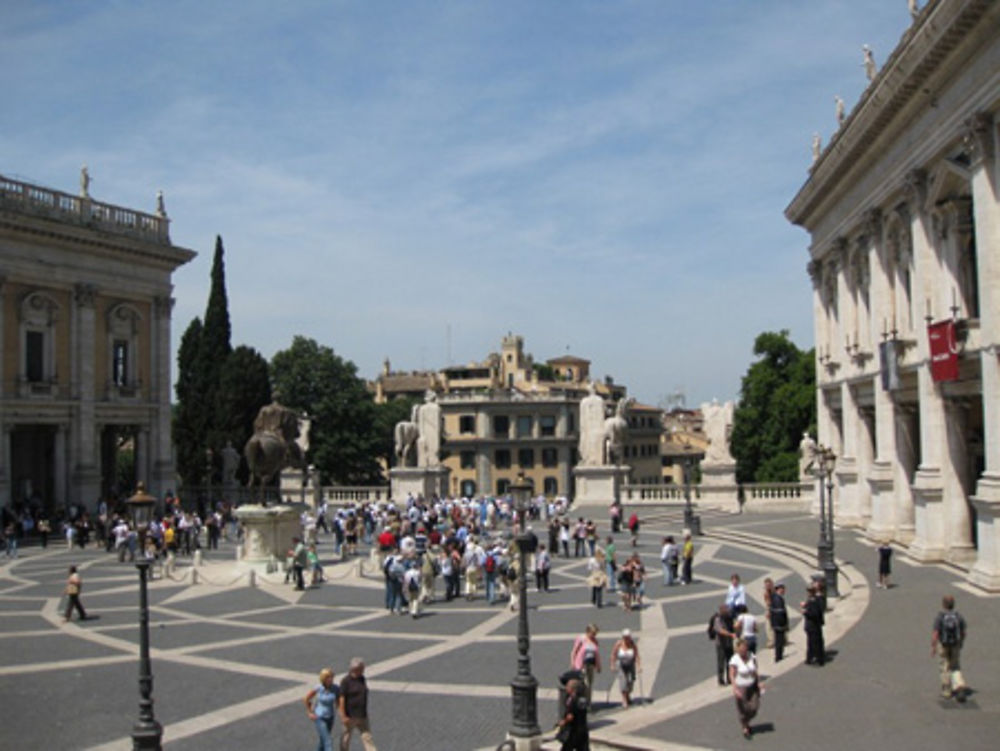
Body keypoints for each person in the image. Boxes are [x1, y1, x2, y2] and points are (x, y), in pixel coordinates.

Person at [931, 594, 968, 700]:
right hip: (955, 644)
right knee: (955, 665)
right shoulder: (958, 616)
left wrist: (933, 646)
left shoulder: (940, 617)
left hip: (943, 644)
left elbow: (935, 633)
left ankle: (947, 691)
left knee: (944, 667)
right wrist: (961, 642)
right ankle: (959, 684)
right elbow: (964, 631)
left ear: (943, 604)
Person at [338, 657, 377, 751]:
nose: (364, 669)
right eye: (362, 668)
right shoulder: (345, 681)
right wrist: (343, 716)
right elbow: (342, 699)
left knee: (367, 737)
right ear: (355, 669)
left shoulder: (362, 678)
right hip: (350, 716)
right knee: (345, 738)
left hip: (362, 715)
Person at [729, 638, 764, 739]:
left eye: (745, 648)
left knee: (754, 707)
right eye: (741, 649)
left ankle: (746, 722)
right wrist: (735, 688)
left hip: (752, 686)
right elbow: (731, 674)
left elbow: (755, 670)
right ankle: (745, 727)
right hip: (741, 687)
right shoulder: (735, 659)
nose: (743, 650)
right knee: (743, 709)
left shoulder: (752, 656)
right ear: (738, 649)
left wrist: (759, 682)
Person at [304, 668, 339, 751]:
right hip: (319, 717)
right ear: (324, 678)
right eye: (329, 677)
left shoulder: (335, 688)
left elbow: (339, 702)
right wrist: (310, 712)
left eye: (332, 677)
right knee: (328, 741)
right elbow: (306, 699)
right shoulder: (318, 688)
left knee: (323, 741)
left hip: (330, 717)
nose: (331, 679)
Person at [570, 624, 601, 704]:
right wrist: (573, 662)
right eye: (593, 633)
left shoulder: (595, 641)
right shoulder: (581, 639)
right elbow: (574, 651)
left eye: (595, 634)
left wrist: (598, 665)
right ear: (588, 632)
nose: (594, 635)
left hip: (591, 664)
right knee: (584, 683)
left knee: (590, 683)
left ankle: (588, 701)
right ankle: (582, 700)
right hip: (581, 664)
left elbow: (596, 654)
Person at [556, 678, 590, 751]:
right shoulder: (581, 699)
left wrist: (563, 722)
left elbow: (570, 716)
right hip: (582, 730)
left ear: (573, 689)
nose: (566, 688)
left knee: (566, 748)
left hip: (573, 730)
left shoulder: (574, 700)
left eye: (568, 686)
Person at [610, 629, 641, 707]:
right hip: (621, 665)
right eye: (625, 637)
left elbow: (637, 656)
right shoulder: (619, 643)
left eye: (628, 637)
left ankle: (628, 694)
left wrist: (639, 666)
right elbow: (613, 654)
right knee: (623, 681)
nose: (626, 639)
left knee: (631, 681)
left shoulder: (632, 644)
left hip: (630, 664)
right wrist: (612, 665)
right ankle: (624, 699)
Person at [709, 603, 736, 685]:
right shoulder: (717, 619)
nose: (728, 612)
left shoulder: (729, 618)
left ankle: (729, 678)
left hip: (729, 643)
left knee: (730, 661)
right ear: (721, 611)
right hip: (721, 644)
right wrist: (730, 634)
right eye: (726, 610)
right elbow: (720, 630)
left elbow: (733, 626)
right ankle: (720, 680)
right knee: (721, 662)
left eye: (728, 610)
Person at [801, 582, 825, 666]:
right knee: (811, 642)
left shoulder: (814, 600)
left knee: (815, 642)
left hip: (813, 625)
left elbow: (815, 613)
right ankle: (810, 658)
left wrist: (805, 612)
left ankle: (818, 659)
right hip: (812, 625)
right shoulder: (812, 599)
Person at [769, 583, 790, 662]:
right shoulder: (778, 599)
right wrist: (784, 624)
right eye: (783, 589)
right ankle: (778, 656)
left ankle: (779, 654)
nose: (784, 591)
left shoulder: (774, 597)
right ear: (779, 589)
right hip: (779, 624)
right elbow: (780, 613)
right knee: (779, 640)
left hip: (776, 623)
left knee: (779, 639)